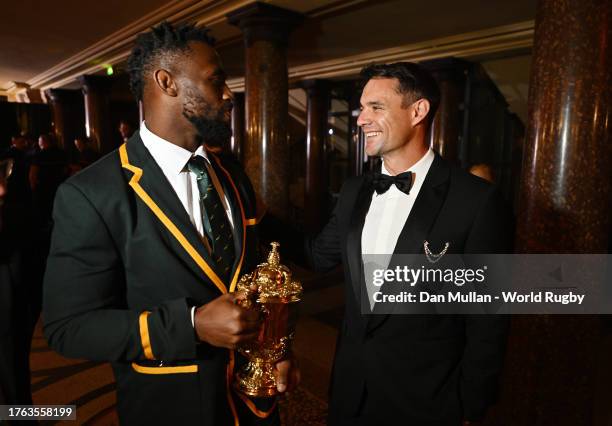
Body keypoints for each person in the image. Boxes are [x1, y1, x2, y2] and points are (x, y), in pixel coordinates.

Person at [42, 22, 297, 425]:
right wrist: (191, 325)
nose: (229, 94)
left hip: (253, 408)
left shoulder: (232, 175)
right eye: (216, 81)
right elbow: (69, 328)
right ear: (167, 82)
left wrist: (277, 349)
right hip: (170, 408)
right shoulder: (93, 194)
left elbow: (254, 276)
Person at [306, 62, 511, 425]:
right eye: (361, 108)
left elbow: (488, 320)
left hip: (427, 402)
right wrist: (252, 215)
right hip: (349, 393)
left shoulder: (476, 201)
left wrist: (470, 406)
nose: (360, 119)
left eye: (376, 107)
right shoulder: (355, 190)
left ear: (418, 111)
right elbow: (317, 257)